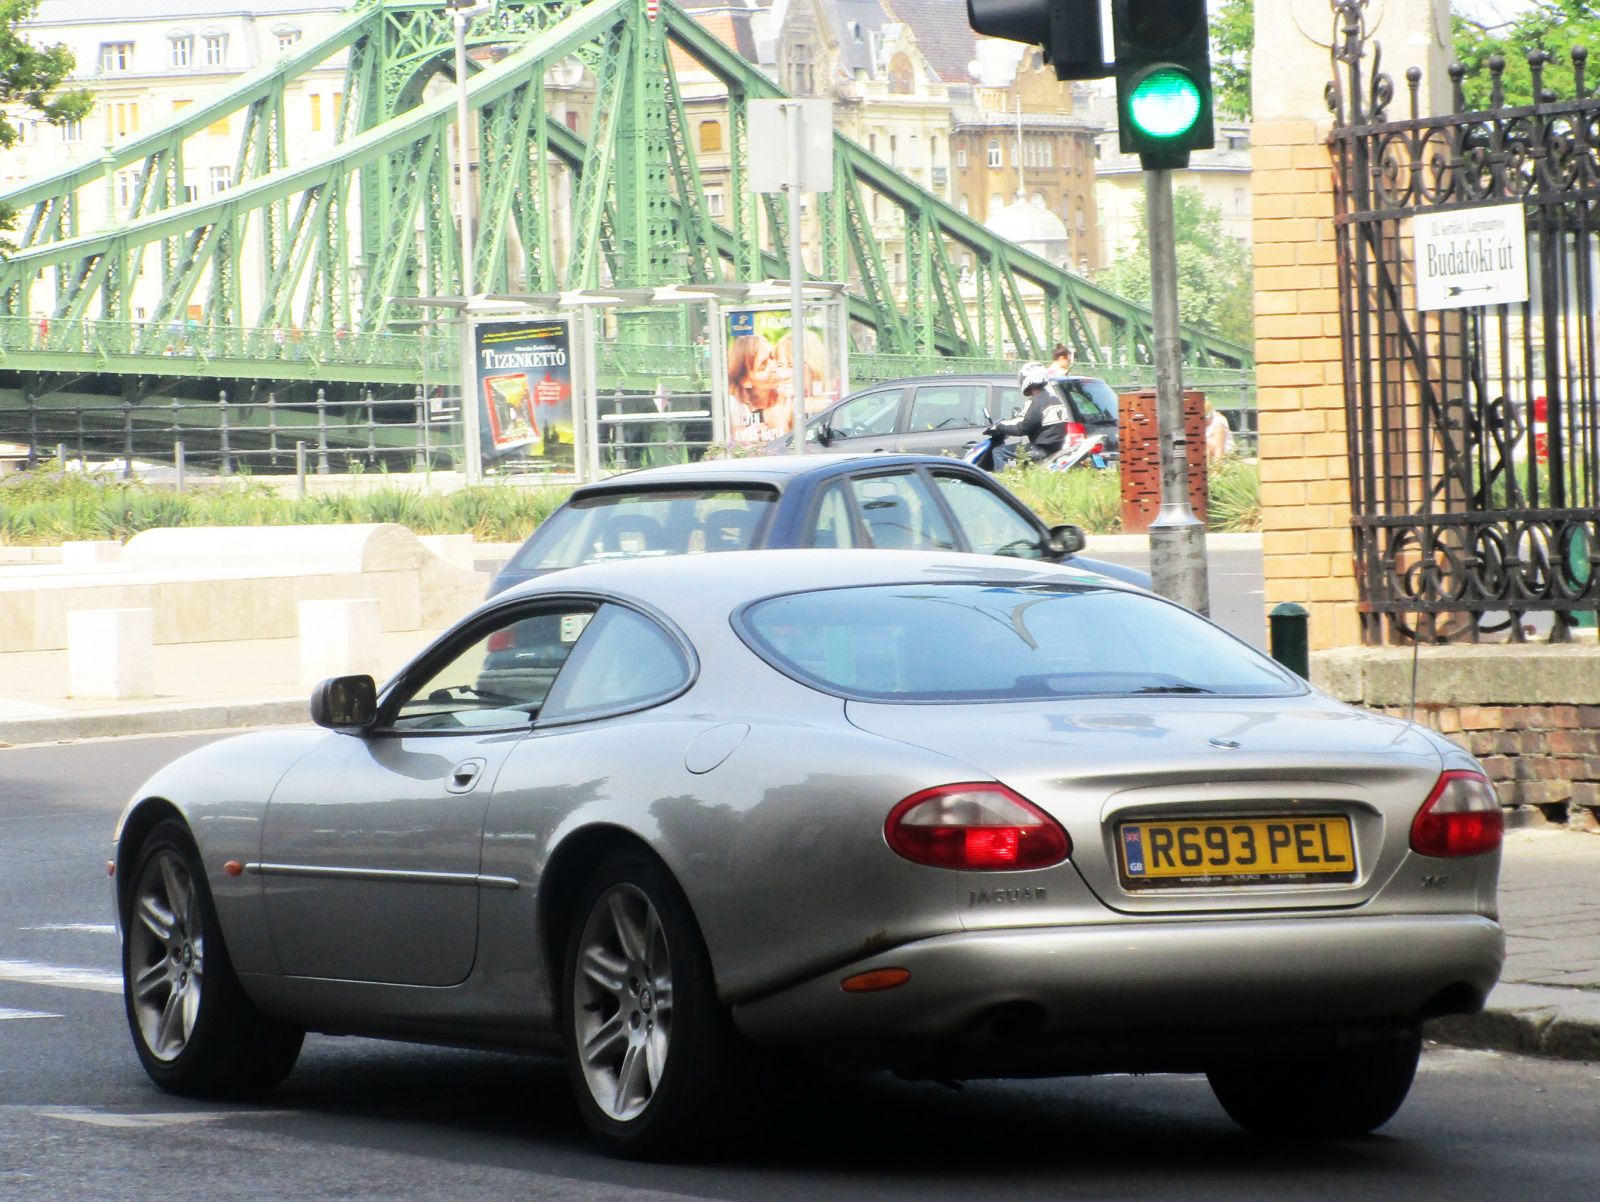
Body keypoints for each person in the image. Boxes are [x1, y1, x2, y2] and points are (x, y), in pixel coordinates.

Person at [987, 363, 1068, 465]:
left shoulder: (1036, 402)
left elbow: (1023, 427)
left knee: (998, 451)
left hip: (1040, 450)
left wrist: (1000, 427)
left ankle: (1003, 476)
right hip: (1056, 448)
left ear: (1029, 379)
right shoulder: (1055, 399)